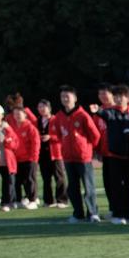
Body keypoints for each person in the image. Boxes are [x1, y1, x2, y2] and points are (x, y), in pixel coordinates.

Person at [50, 86, 101, 223]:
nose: (65, 99)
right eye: (62, 97)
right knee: (72, 188)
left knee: (88, 187)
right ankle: (78, 214)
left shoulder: (83, 115)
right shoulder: (59, 116)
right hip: (68, 157)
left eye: (67, 96)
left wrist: (87, 148)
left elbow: (95, 135)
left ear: (75, 98)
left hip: (83, 157)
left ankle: (93, 213)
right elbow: (59, 135)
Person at [98, 85, 129, 224]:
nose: (118, 99)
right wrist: (97, 110)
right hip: (114, 156)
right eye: (116, 97)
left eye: (121, 96)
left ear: (128, 98)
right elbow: (104, 114)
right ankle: (117, 214)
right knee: (116, 187)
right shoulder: (111, 112)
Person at [33, 99, 67, 209]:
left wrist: (51, 137)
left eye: (44, 107)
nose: (42, 109)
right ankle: (48, 201)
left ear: (49, 108)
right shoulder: (37, 121)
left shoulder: (56, 120)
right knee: (46, 178)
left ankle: (62, 200)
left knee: (59, 177)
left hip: (56, 153)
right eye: (40, 107)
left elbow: (63, 135)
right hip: (43, 153)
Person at [9, 106, 41, 209]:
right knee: (17, 181)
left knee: (29, 180)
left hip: (29, 159)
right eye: (15, 114)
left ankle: (33, 200)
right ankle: (18, 200)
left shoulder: (30, 127)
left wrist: (34, 158)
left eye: (19, 114)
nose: (17, 116)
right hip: (16, 159)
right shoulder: (12, 128)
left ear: (25, 115)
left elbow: (36, 143)